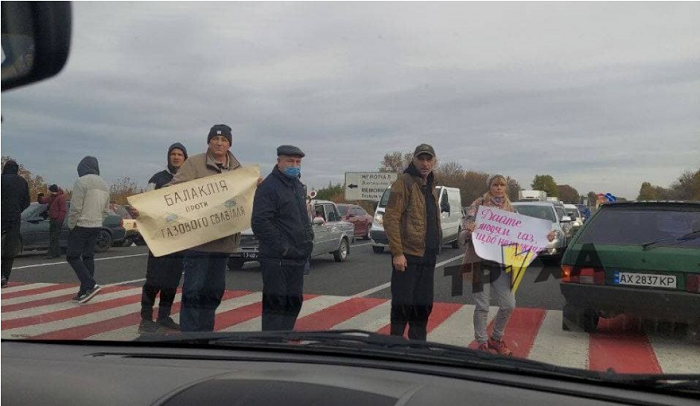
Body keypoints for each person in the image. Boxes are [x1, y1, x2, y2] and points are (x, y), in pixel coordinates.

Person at [461, 174, 556, 355]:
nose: (498, 188)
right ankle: (482, 342)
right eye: (495, 185)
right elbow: (467, 225)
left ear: (505, 188)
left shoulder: (511, 210)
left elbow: (525, 234)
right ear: (490, 187)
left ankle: (496, 338)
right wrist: (469, 230)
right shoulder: (479, 204)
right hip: (480, 264)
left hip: (501, 266)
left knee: (508, 304)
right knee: (482, 306)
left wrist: (544, 237)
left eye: (502, 185)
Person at [165, 124, 243, 332]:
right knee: (193, 290)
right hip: (198, 242)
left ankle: (206, 332)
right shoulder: (194, 163)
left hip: (223, 242)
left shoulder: (237, 169)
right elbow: (172, 191)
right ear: (209, 141)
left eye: (224, 140)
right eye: (215, 139)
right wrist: (147, 206)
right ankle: (189, 335)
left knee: (214, 291)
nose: (219, 143)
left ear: (229, 144)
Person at [383, 144, 441, 341]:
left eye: (428, 159)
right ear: (414, 160)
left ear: (434, 162)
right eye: (421, 159)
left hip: (428, 255)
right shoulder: (404, 182)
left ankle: (418, 346)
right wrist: (397, 252)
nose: (425, 163)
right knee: (403, 302)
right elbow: (391, 217)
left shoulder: (430, 185)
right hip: (408, 255)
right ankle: (395, 344)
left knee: (423, 304)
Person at [252, 145, 314, 331]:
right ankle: (271, 346)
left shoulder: (296, 185)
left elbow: (301, 218)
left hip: (297, 256)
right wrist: (284, 248)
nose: (294, 165)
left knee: (294, 302)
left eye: (298, 162)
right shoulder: (269, 187)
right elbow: (260, 222)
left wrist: (308, 238)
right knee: (275, 305)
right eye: (289, 161)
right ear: (279, 161)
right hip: (277, 259)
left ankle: (284, 338)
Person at [138, 143, 188, 334]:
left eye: (180, 154)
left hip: (181, 238)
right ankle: (146, 318)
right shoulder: (157, 179)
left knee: (172, 279)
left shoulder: (191, 179)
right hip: (159, 238)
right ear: (168, 157)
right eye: (173, 154)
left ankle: (164, 316)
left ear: (185, 158)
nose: (176, 157)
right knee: (154, 279)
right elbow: (146, 204)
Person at [67, 156, 111, 304]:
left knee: (72, 256)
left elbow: (75, 207)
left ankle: (91, 285)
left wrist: (72, 224)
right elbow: (106, 210)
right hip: (96, 225)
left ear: (82, 168)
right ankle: (83, 291)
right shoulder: (104, 184)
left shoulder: (81, 182)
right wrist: (98, 220)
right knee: (88, 257)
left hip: (81, 224)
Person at [1, 160, 30, 288]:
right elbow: (27, 202)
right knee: (10, 248)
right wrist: (18, 210)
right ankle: (4, 277)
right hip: (14, 219)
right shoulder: (22, 182)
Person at [38, 184, 67, 259]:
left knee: (54, 237)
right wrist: (39, 196)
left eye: (49, 190)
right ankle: (57, 253)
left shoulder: (61, 197)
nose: (48, 192)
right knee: (54, 237)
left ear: (52, 190)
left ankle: (51, 254)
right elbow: (42, 201)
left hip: (57, 220)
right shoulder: (52, 197)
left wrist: (59, 219)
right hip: (53, 219)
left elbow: (63, 210)